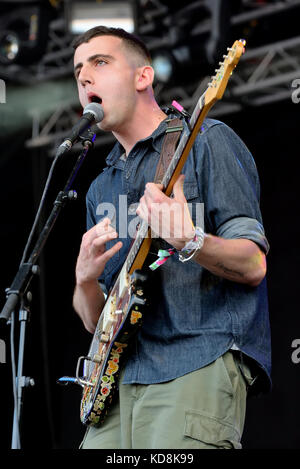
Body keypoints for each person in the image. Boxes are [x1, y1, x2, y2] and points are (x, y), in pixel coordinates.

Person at [72, 26, 271, 449]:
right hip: (117, 389)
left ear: (143, 77)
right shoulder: (99, 188)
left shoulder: (206, 142)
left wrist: (190, 240)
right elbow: (98, 321)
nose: (84, 77)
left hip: (196, 362)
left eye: (100, 63)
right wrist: (85, 280)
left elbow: (254, 265)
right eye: (78, 72)